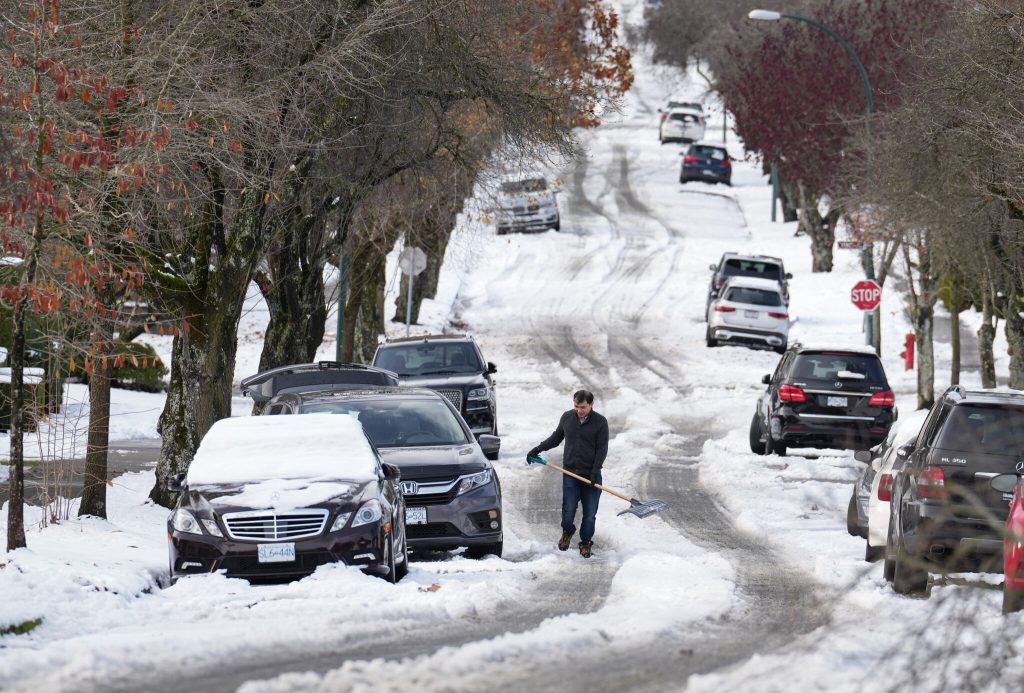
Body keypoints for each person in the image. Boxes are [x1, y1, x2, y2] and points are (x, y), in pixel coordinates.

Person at [527, 389, 609, 558]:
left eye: (583, 407)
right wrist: (537, 449)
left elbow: (602, 449)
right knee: (568, 510)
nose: (579, 410)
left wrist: (595, 471)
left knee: (589, 514)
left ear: (591, 405)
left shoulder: (600, 422)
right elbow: (556, 438)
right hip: (571, 473)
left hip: (591, 476)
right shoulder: (567, 417)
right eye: (576, 406)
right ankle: (567, 531)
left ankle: (585, 542)